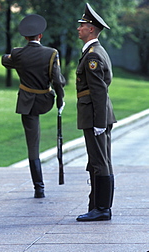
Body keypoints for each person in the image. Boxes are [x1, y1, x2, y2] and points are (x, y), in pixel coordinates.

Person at [2, 14, 65, 198]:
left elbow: (5, 60)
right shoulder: (51, 53)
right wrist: (60, 102)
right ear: (40, 36)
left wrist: (10, 56)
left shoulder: (17, 53)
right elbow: (58, 81)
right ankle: (39, 186)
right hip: (45, 100)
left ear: (25, 37)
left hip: (27, 103)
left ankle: (39, 187)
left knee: (33, 146)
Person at [75, 3, 116, 222]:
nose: (79, 28)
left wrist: (99, 121)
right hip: (94, 114)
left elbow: (98, 91)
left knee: (100, 161)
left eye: (82, 25)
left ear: (91, 29)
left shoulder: (93, 56)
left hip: (94, 115)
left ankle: (102, 208)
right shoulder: (93, 52)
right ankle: (97, 205)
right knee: (99, 161)